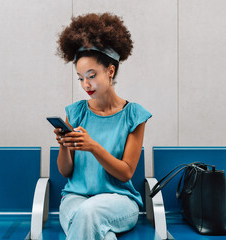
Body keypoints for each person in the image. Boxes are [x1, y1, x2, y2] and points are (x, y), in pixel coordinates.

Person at [53, 12, 152, 240]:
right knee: (103, 235)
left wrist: (93, 146)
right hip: (75, 199)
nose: (85, 84)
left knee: (90, 213)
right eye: (80, 78)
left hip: (118, 201)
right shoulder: (75, 112)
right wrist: (64, 145)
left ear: (110, 71)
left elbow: (126, 173)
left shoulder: (134, 116)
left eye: (91, 75)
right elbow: (65, 171)